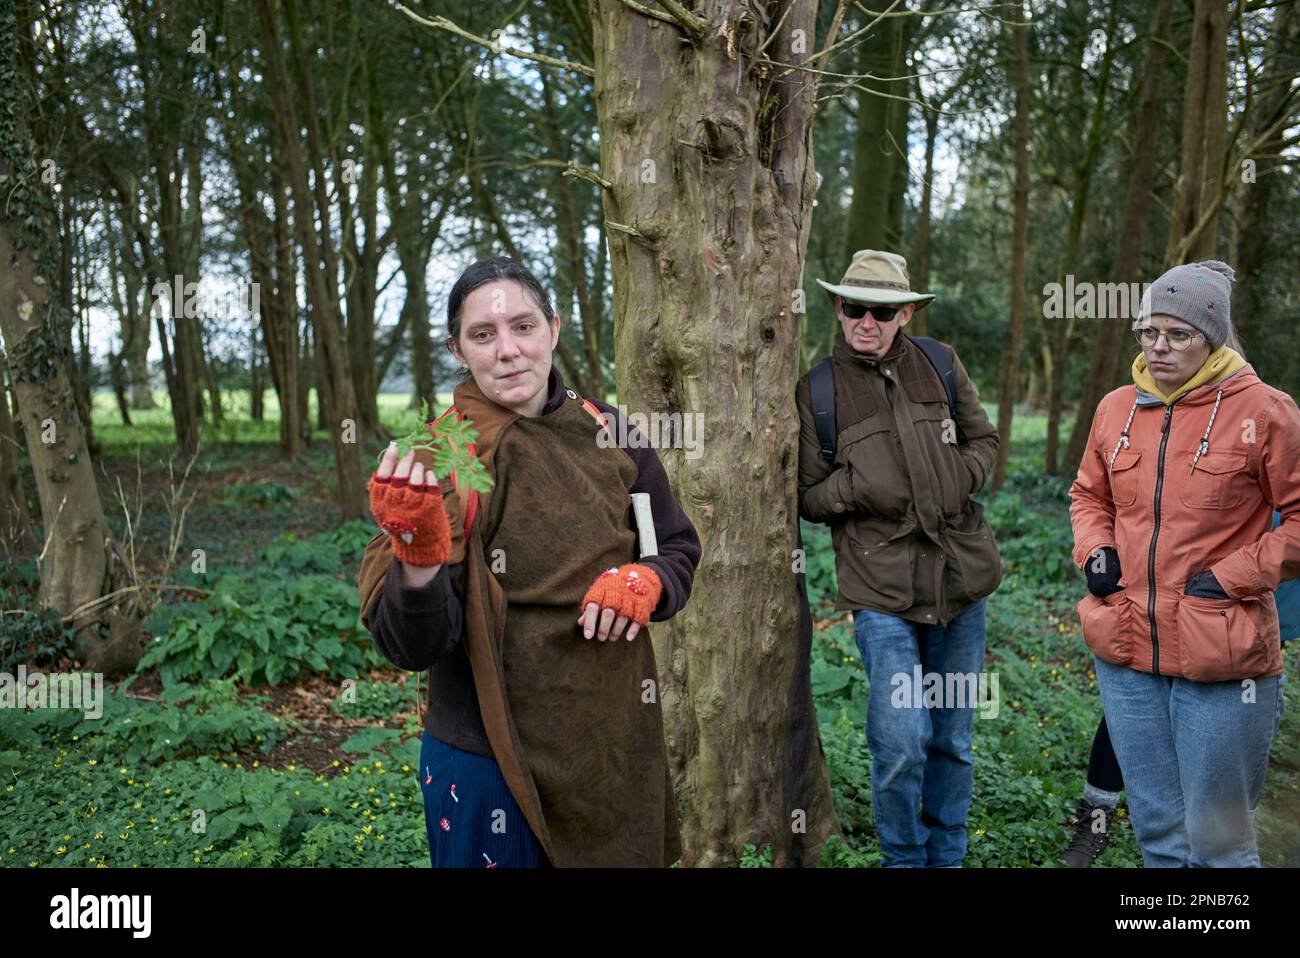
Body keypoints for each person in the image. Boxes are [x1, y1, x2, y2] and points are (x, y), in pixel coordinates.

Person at [355, 257, 701, 868]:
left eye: (524, 326)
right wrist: (417, 559)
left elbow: (674, 547)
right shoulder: (435, 460)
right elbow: (411, 646)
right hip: (486, 754)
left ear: (555, 329)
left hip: (610, 744)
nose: (508, 351)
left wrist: (647, 579)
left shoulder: (611, 432)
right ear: (459, 350)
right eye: (483, 335)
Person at [1069, 260, 1297, 867]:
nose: (1159, 347)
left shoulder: (1267, 412)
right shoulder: (1116, 409)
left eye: (1179, 335)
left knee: (1217, 844)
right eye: (1149, 332)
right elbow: (1088, 495)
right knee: (1161, 836)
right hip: (1127, 652)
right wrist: (1096, 549)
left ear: (1213, 336)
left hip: (1221, 660)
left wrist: (1230, 576)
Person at [795, 249, 1003, 867]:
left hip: (959, 579)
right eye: (855, 307)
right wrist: (859, 487)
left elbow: (983, 440)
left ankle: (949, 857)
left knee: (953, 741)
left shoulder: (939, 363)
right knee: (903, 741)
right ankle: (904, 861)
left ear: (905, 312)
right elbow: (808, 495)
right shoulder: (819, 391)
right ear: (838, 307)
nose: (868, 320)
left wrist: (955, 478)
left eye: (882, 310)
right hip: (880, 590)